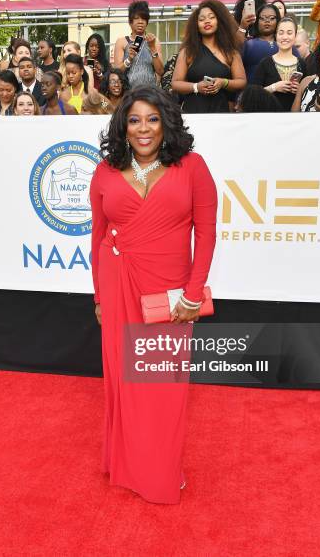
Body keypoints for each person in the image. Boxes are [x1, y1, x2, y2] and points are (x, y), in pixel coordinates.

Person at [91, 85, 217, 504]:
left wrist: (194, 294)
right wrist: (98, 295)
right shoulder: (105, 171)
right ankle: (126, 463)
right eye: (134, 119)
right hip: (116, 282)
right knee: (123, 383)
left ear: (166, 124)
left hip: (169, 292)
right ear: (122, 126)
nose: (143, 128)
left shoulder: (192, 166)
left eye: (152, 119)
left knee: (161, 386)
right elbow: (96, 237)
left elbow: (207, 233)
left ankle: (159, 470)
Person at [172, 0, 246, 113]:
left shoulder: (231, 52)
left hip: (221, 111)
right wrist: (196, 87)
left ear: (219, 21)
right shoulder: (188, 52)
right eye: (202, 19)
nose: (207, 21)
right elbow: (176, 83)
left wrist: (223, 82)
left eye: (211, 17)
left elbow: (241, 81)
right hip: (193, 111)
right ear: (196, 25)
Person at [253, 17, 307, 111]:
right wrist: (274, 87)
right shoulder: (265, 63)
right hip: (270, 119)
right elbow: (253, 95)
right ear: (276, 36)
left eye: (289, 33)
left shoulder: (302, 64)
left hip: (297, 121)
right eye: (281, 33)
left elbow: (310, 94)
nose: (285, 37)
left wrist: (300, 90)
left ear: (295, 36)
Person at [242, 3, 298, 83]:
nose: (267, 21)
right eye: (262, 18)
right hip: (254, 92)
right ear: (256, 21)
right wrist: (242, 26)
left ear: (278, 20)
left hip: (283, 92)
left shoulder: (287, 45)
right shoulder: (248, 44)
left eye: (272, 18)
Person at [114, 0, 164, 87]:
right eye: (136, 18)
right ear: (130, 22)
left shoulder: (154, 41)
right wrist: (129, 59)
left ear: (147, 22)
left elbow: (160, 71)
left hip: (150, 93)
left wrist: (152, 48)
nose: (140, 22)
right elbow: (116, 72)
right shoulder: (122, 42)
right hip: (129, 94)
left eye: (143, 18)